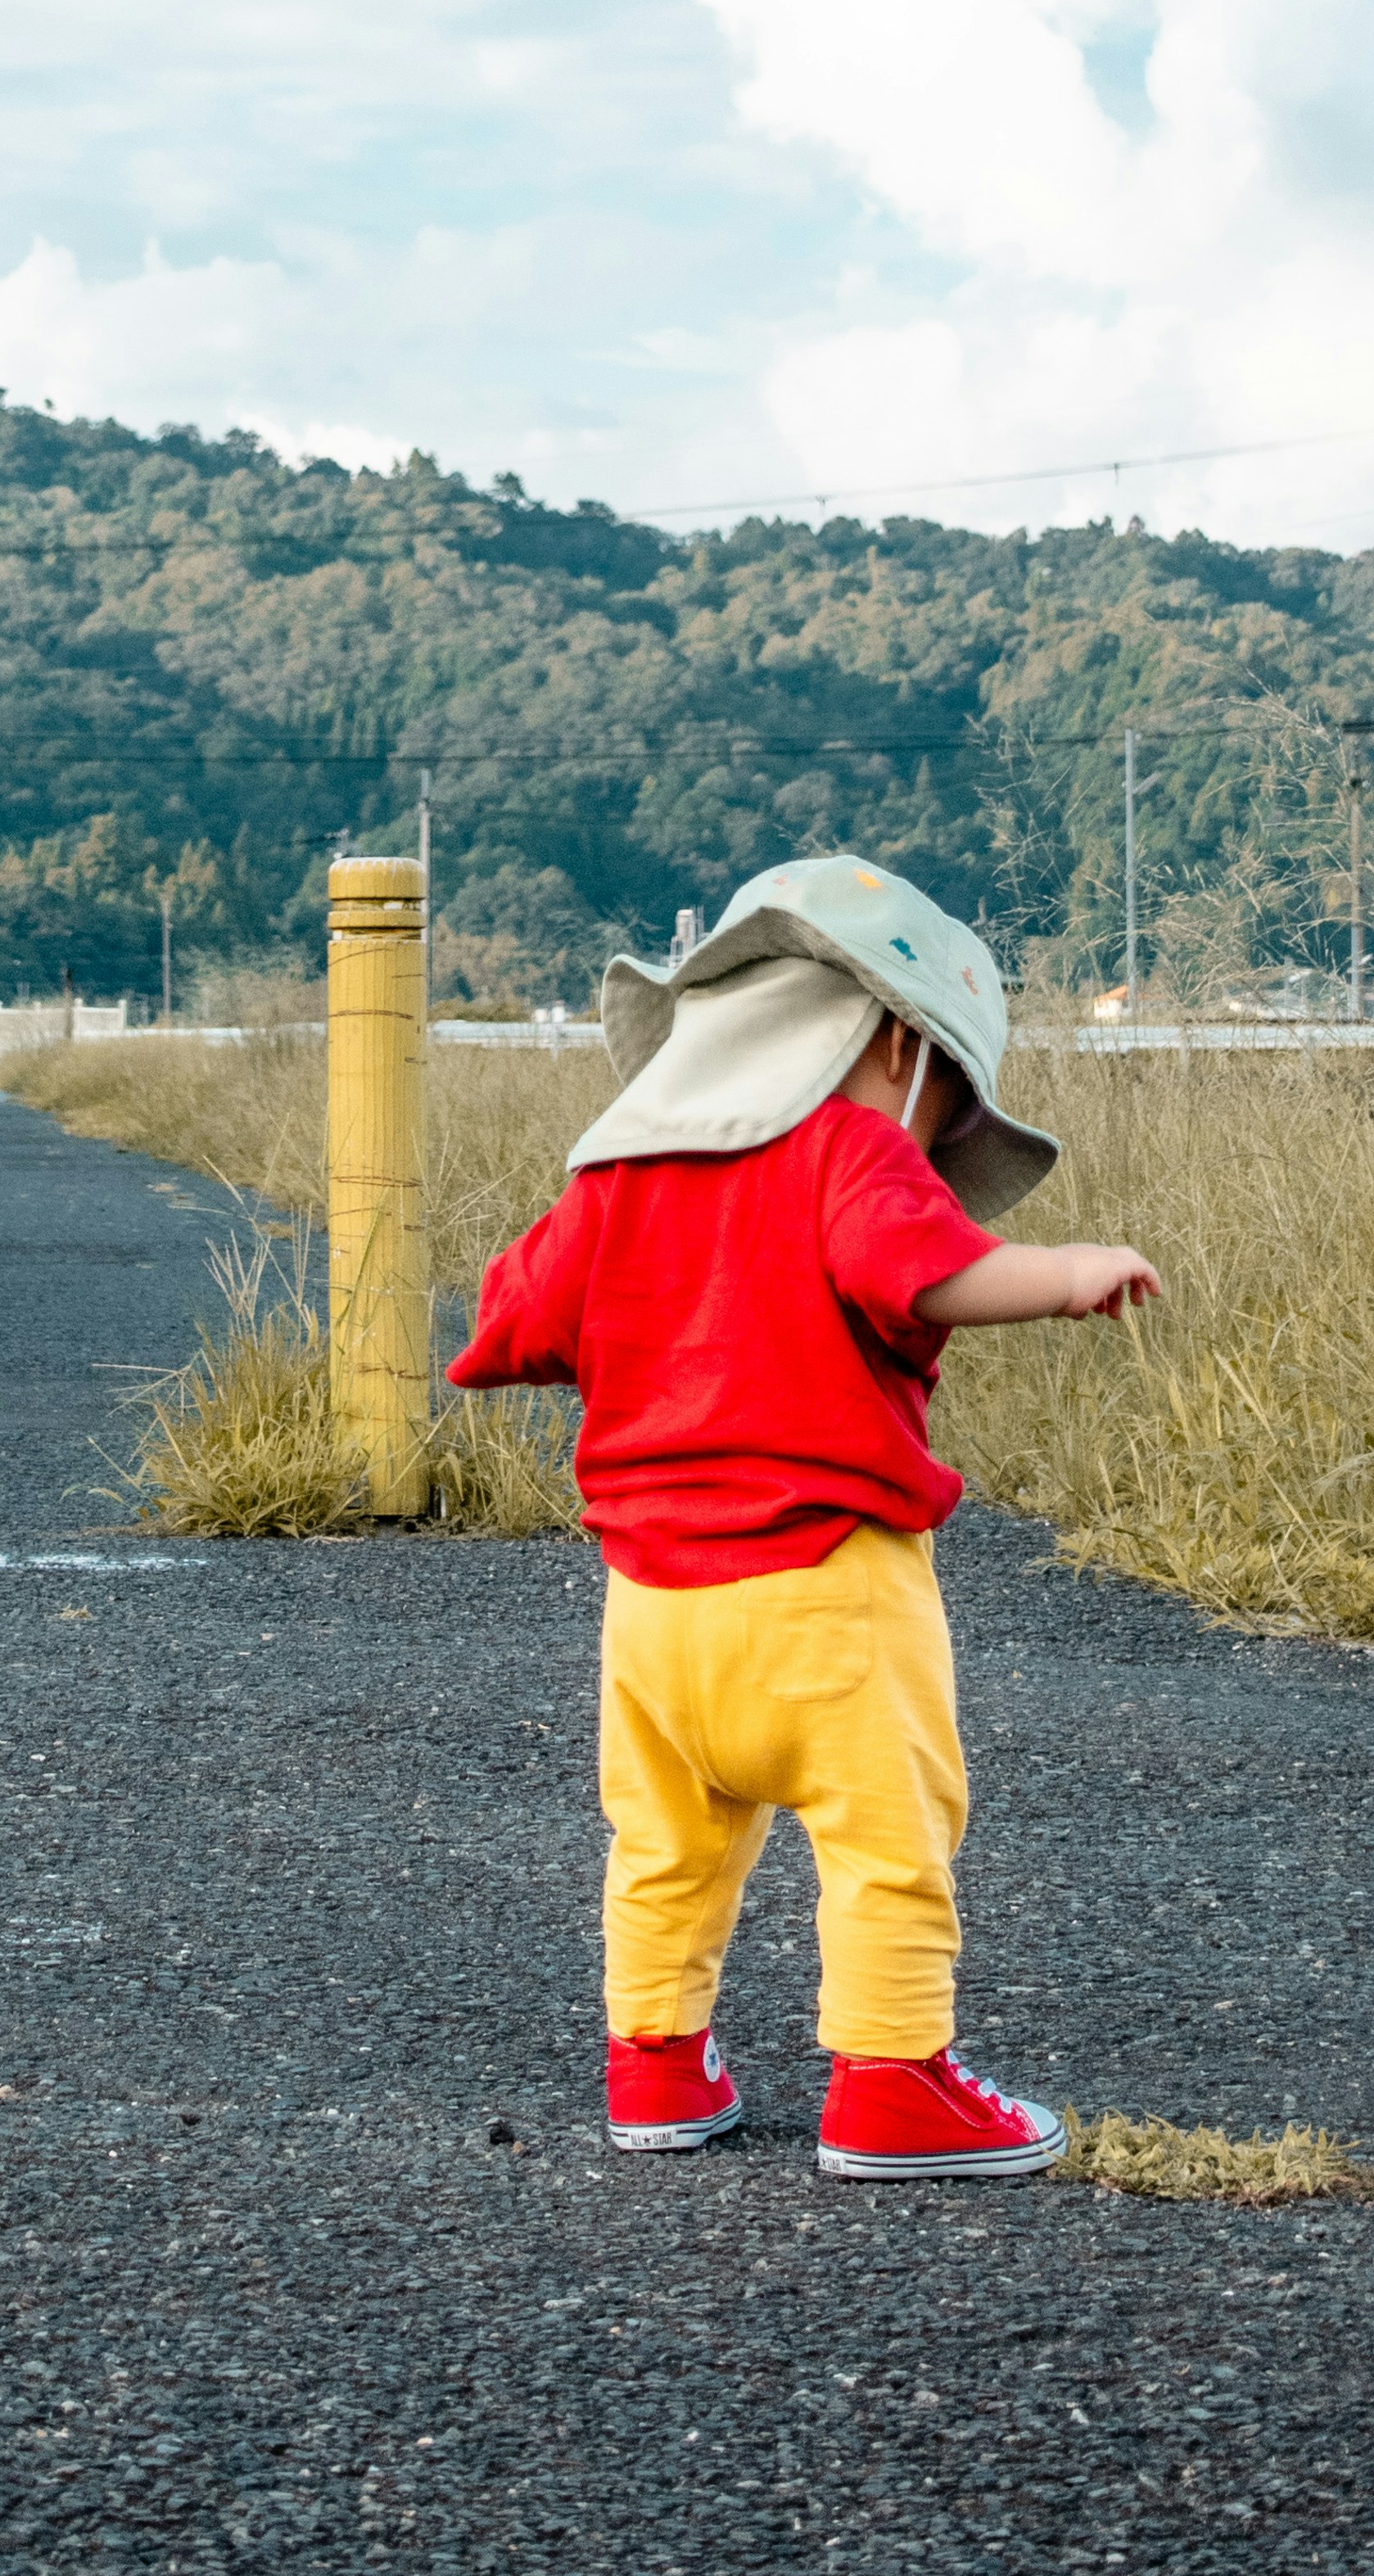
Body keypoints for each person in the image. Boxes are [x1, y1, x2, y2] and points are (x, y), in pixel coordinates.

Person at [446, 853, 1159, 2180]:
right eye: (945, 1104)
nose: (935, 1146)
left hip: (653, 1615)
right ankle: (894, 2084)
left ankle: (656, 2070)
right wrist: (1062, 1274)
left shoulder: (618, 1182)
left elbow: (508, 1327)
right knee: (890, 1833)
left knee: (661, 1847)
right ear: (895, 1042)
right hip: (830, 1591)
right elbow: (926, 1269)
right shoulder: (848, 1149)